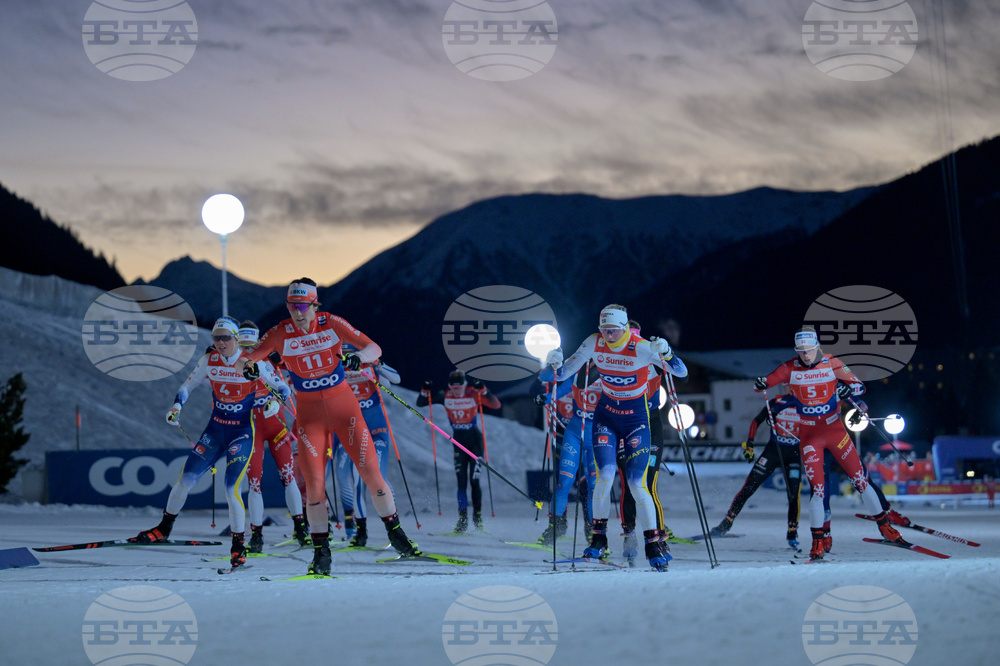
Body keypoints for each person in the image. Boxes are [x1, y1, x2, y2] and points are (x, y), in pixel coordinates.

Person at [235, 278, 418, 576]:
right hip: (309, 417)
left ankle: (397, 536)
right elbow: (245, 360)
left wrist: (359, 358)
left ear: (315, 305)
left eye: (303, 306)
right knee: (316, 486)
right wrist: (249, 368)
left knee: (371, 474)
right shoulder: (280, 332)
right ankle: (321, 554)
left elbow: (374, 347)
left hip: (344, 409)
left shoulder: (331, 323)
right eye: (292, 306)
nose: (297, 312)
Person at [135, 316, 289, 570]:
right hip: (215, 430)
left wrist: (275, 403)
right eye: (216, 337)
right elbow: (188, 385)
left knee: (231, 490)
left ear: (236, 338)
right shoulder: (209, 360)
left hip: (241, 432)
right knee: (185, 480)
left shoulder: (254, 361)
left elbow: (283, 389)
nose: (220, 342)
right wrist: (176, 406)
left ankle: (238, 546)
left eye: (226, 337)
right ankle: (164, 527)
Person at [542, 304, 687, 571]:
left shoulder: (642, 347)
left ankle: (653, 544)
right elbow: (559, 375)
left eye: (613, 330)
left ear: (624, 328)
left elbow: (681, 372)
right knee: (605, 476)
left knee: (636, 483)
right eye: (604, 330)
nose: (608, 336)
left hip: (636, 421)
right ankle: (598, 540)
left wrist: (667, 353)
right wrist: (551, 364)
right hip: (605, 418)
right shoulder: (593, 343)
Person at [754, 326, 905, 561]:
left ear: (817, 347)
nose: (805, 355)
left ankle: (885, 527)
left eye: (809, 350)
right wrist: (762, 382)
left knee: (861, 481)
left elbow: (859, 387)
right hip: (810, 437)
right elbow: (767, 381)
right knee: (819, 490)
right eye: (801, 351)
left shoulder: (832, 362)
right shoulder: (790, 367)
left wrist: (847, 388)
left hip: (835, 431)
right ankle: (818, 542)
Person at [237, 321, 307, 552]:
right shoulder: (233, 365)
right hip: (251, 430)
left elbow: (283, 388)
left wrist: (276, 402)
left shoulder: (264, 362)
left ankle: (300, 528)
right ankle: (256, 536)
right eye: (242, 345)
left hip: (275, 427)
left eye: (251, 346)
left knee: (289, 477)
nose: (247, 352)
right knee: (254, 483)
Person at [330, 344, 402, 547]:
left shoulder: (368, 367)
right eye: (343, 354)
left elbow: (396, 379)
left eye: (350, 354)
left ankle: (396, 530)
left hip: (376, 431)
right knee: (356, 482)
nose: (346, 358)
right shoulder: (337, 371)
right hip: (353, 431)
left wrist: (377, 363)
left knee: (379, 478)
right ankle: (360, 532)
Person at [711, 393, 803, 549]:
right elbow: (756, 421)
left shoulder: (807, 404)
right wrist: (750, 443)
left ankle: (792, 531)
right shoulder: (777, 401)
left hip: (793, 455)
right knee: (749, 487)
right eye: (787, 384)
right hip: (773, 451)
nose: (790, 387)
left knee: (794, 495)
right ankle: (727, 521)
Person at [617, 319, 674, 562]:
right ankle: (629, 534)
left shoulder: (650, 356)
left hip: (651, 426)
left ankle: (659, 540)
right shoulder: (614, 359)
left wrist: (666, 352)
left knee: (649, 485)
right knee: (629, 487)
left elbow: (679, 372)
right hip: (624, 425)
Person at [417, 370, 501, 532]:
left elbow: (496, 404)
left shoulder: (472, 393)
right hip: (458, 442)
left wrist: (484, 390)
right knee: (461, 483)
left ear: (464, 385)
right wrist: (425, 389)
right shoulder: (444, 395)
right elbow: (421, 403)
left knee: (474, 481)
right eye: (453, 387)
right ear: (450, 386)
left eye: (459, 387)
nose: (456, 391)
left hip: (475, 442)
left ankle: (478, 519)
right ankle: (462, 520)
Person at [534, 362, 601, 545]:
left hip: (596, 436)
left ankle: (595, 534)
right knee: (563, 483)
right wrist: (544, 398)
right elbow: (557, 390)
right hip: (573, 433)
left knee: (594, 488)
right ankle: (554, 528)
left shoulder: (609, 375)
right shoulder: (577, 372)